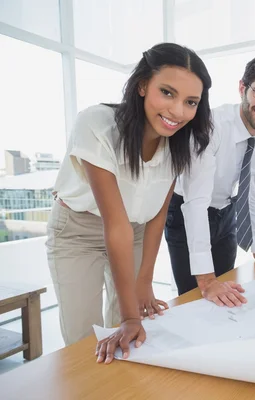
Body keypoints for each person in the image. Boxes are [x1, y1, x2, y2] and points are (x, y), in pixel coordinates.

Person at [46, 43, 213, 364]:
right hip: (78, 233)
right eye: (167, 93)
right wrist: (130, 316)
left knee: (124, 337)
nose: (178, 111)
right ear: (141, 86)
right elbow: (115, 223)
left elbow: (157, 216)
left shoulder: (179, 145)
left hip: (135, 231)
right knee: (85, 338)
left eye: (190, 102)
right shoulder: (97, 124)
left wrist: (144, 282)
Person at [164, 55, 255, 306]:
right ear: (242, 88)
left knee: (228, 293)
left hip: (227, 214)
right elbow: (196, 202)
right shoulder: (211, 126)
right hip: (186, 212)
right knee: (195, 301)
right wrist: (206, 280)